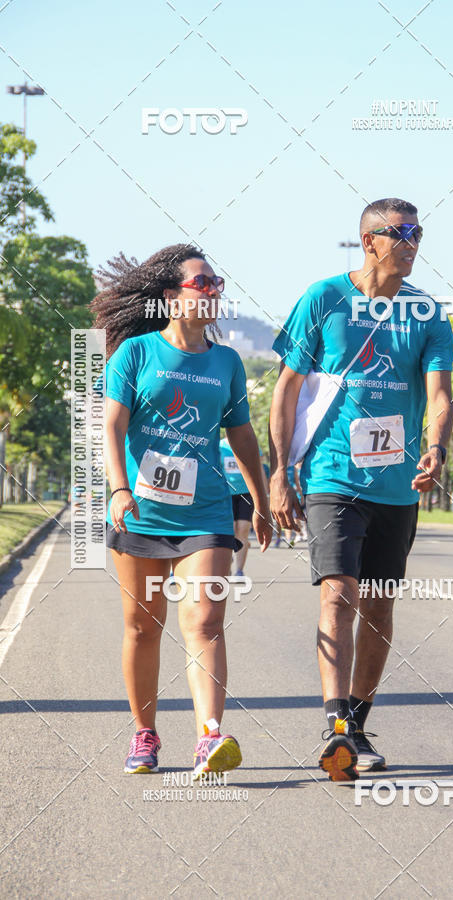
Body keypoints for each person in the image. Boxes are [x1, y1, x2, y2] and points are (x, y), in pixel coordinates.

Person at [269, 198, 453, 781]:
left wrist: (437, 447)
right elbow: (287, 389)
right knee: (337, 594)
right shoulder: (324, 298)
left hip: (396, 484)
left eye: (417, 232)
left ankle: (359, 719)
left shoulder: (427, 311)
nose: (411, 242)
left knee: (377, 605)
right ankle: (336, 726)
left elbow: (440, 393)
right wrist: (280, 470)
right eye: (399, 232)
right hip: (331, 474)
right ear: (368, 240)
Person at [93, 243, 271, 778]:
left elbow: (242, 437)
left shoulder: (227, 362)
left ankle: (209, 737)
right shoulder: (137, 354)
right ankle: (144, 735)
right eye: (202, 283)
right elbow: (111, 427)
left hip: (207, 514)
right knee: (143, 628)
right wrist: (120, 490)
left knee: (206, 621)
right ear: (171, 297)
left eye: (217, 283)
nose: (214, 291)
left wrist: (260, 501)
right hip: (141, 513)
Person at [219, 435, 269, 574]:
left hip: (246, 493)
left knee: (243, 529)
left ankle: (239, 570)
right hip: (226, 493)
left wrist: (265, 495)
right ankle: (227, 564)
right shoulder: (220, 446)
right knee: (230, 530)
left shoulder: (249, 443)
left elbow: (259, 470)